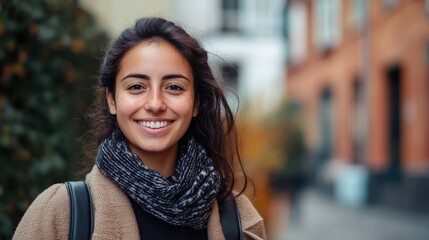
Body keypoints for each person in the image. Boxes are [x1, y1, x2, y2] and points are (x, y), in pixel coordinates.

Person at [13, 17, 266, 239]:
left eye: (174, 87)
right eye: (136, 87)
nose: (155, 103)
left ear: (196, 102)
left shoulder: (238, 219)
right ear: (111, 99)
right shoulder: (61, 215)